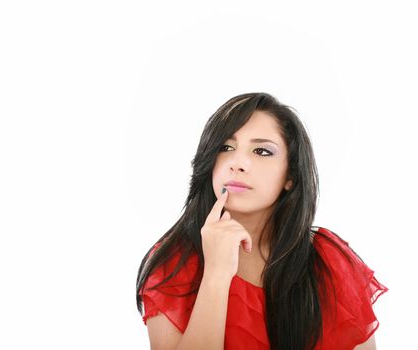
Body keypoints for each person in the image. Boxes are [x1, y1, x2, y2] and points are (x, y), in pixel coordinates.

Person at [135, 92, 388, 350]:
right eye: (226, 147)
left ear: (290, 175)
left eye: (261, 151)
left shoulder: (328, 261)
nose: (238, 163)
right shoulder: (173, 264)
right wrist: (216, 275)